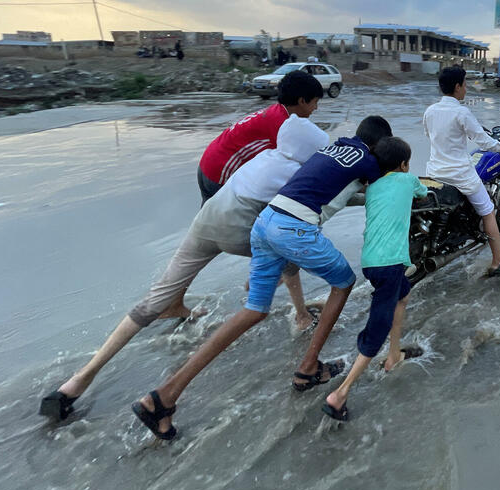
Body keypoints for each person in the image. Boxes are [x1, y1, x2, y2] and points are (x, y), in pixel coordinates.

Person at [39, 112, 330, 421]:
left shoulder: (265, 156)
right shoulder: (299, 176)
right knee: (287, 250)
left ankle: (78, 381)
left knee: (153, 301)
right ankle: (299, 315)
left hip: (204, 224)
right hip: (236, 233)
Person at [132, 117, 391, 440]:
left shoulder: (332, 148)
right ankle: (308, 367)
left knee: (255, 309)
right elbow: (386, 189)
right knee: (344, 283)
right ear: (379, 146)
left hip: (265, 222)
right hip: (294, 229)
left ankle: (164, 396)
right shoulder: (369, 160)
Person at [322, 136, 428, 422]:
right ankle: (340, 394)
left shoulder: (373, 187)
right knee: (376, 329)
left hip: (370, 262)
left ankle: (394, 355)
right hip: (391, 263)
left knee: (403, 295)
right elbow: (423, 193)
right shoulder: (408, 180)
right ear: (405, 164)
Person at [423, 66, 500, 277]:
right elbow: (483, 141)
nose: (466, 88)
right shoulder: (462, 112)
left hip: (434, 173)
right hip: (460, 175)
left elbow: (430, 135)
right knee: (488, 211)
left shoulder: (430, 111)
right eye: (465, 84)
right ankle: (498, 260)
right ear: (457, 87)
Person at [197, 71, 321, 204]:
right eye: (315, 102)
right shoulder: (284, 125)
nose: (316, 108)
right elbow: (302, 161)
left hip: (208, 163)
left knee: (208, 220)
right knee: (230, 221)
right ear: (302, 101)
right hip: (220, 172)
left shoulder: (277, 111)